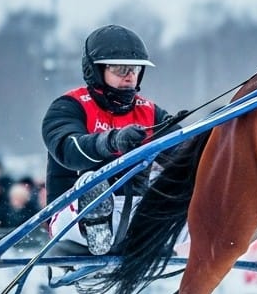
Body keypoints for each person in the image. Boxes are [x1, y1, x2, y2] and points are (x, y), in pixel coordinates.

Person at [43, 24, 171, 254]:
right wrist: (112, 142)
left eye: (135, 69)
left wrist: (218, 134)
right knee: (93, 182)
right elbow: (68, 150)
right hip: (71, 215)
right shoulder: (68, 107)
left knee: (182, 186)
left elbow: (188, 156)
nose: (130, 76)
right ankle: (97, 227)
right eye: (121, 69)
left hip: (133, 214)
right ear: (96, 71)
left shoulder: (152, 113)